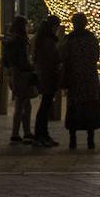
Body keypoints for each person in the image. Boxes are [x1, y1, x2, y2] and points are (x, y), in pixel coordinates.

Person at [61, 12, 100, 150]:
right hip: (89, 78)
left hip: (74, 78)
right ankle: (90, 140)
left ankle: (73, 140)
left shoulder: (69, 39)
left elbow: (64, 56)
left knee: (74, 108)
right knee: (89, 108)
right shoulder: (91, 38)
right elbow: (96, 56)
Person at [3, 15, 36, 145]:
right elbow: (23, 60)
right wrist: (31, 67)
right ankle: (19, 133)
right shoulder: (21, 41)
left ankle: (22, 132)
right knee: (23, 104)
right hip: (23, 74)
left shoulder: (8, 41)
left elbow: (5, 60)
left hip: (13, 73)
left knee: (23, 103)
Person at [32, 15, 61, 147]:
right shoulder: (48, 41)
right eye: (56, 27)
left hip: (44, 76)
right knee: (45, 107)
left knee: (45, 106)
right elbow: (53, 58)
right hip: (48, 76)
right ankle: (40, 135)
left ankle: (43, 134)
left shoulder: (41, 40)